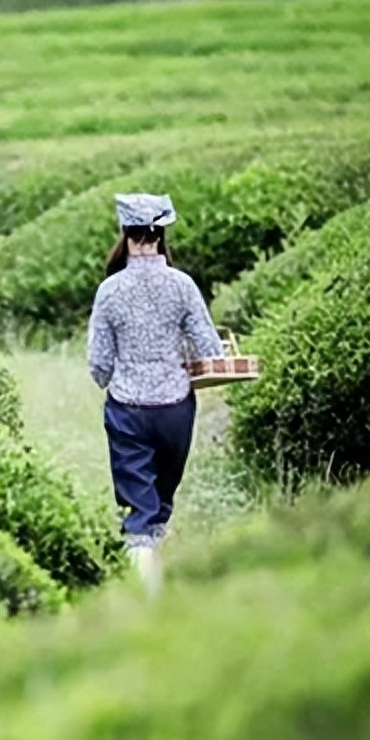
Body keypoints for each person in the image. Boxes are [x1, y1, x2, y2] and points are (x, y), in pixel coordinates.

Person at [87, 193, 223, 595]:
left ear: (126, 234)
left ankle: (145, 594)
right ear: (161, 235)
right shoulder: (182, 286)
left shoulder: (110, 290)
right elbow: (210, 349)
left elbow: (99, 366)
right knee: (160, 504)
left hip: (128, 410)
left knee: (138, 511)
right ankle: (156, 585)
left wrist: (116, 374)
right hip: (175, 410)